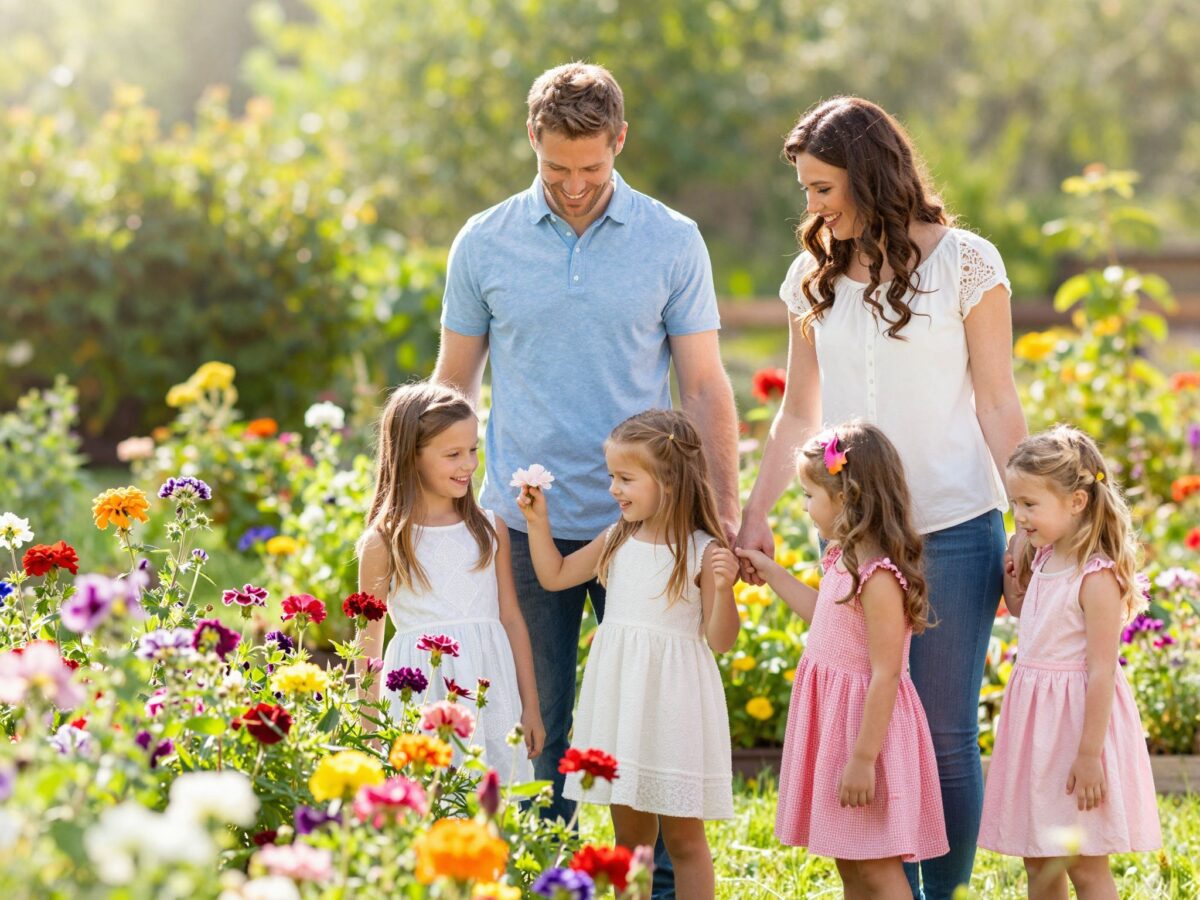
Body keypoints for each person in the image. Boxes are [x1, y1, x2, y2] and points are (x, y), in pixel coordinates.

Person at [433, 62, 740, 896]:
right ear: (532, 139)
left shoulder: (671, 239)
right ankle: (546, 880)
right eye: (556, 168)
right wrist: (437, 503)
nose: (573, 188)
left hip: (647, 527)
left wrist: (725, 515)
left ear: (621, 143)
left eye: (592, 170)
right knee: (543, 726)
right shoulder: (484, 241)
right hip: (521, 522)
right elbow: (453, 384)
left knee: (660, 718)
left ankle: (671, 885)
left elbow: (706, 387)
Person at [737, 96, 1027, 899]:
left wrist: (1029, 525)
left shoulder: (967, 263)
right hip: (856, 544)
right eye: (806, 189)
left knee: (940, 735)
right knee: (865, 727)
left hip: (956, 528)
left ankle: (944, 892)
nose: (813, 206)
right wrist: (755, 511)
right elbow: (797, 410)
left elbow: (998, 402)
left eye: (824, 187)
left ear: (870, 176)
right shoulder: (812, 274)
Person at [517, 409, 739, 900]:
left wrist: (722, 588)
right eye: (612, 477)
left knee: (684, 838)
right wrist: (538, 522)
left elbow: (720, 639)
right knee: (630, 837)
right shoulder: (616, 537)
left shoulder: (701, 550)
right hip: (623, 702)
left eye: (625, 478)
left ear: (669, 482)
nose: (614, 489)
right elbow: (554, 575)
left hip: (675, 705)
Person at [737, 422, 947, 899]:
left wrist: (862, 759)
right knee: (850, 863)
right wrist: (772, 574)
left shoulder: (877, 578)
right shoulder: (843, 558)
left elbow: (887, 672)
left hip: (864, 732)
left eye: (811, 495)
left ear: (848, 498)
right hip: (838, 725)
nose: (805, 507)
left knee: (874, 867)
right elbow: (824, 618)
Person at [979, 426, 1161, 898]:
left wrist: (1088, 756)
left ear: (1077, 502)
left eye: (1029, 504)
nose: (1018, 516)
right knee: (1039, 860)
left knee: (1082, 863)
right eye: (1014, 503)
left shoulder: (1096, 576)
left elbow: (1102, 670)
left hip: (1077, 730)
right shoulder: (1044, 557)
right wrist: (1014, 584)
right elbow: (1037, 620)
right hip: (1037, 729)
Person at [355, 382, 545, 780]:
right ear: (412, 456)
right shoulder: (385, 540)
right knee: (428, 806)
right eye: (453, 454)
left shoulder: (491, 529)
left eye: (473, 451)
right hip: (420, 693)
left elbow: (511, 619)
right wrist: (369, 729)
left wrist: (530, 706)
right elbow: (368, 642)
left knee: (492, 811)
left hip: (489, 693)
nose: (468, 465)